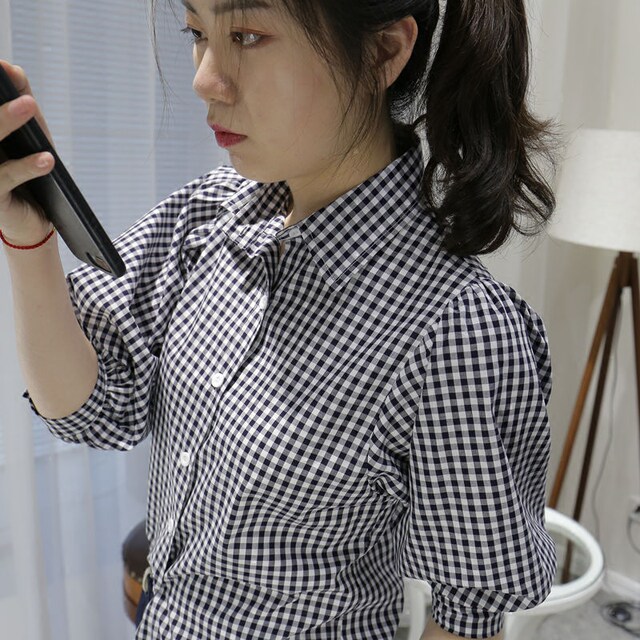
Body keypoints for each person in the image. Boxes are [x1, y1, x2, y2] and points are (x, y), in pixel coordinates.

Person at [0, 0, 558, 638]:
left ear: (383, 52)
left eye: (246, 35)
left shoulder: (458, 330)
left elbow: (467, 613)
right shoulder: (207, 217)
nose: (204, 79)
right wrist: (29, 237)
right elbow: (91, 408)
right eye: (197, 32)